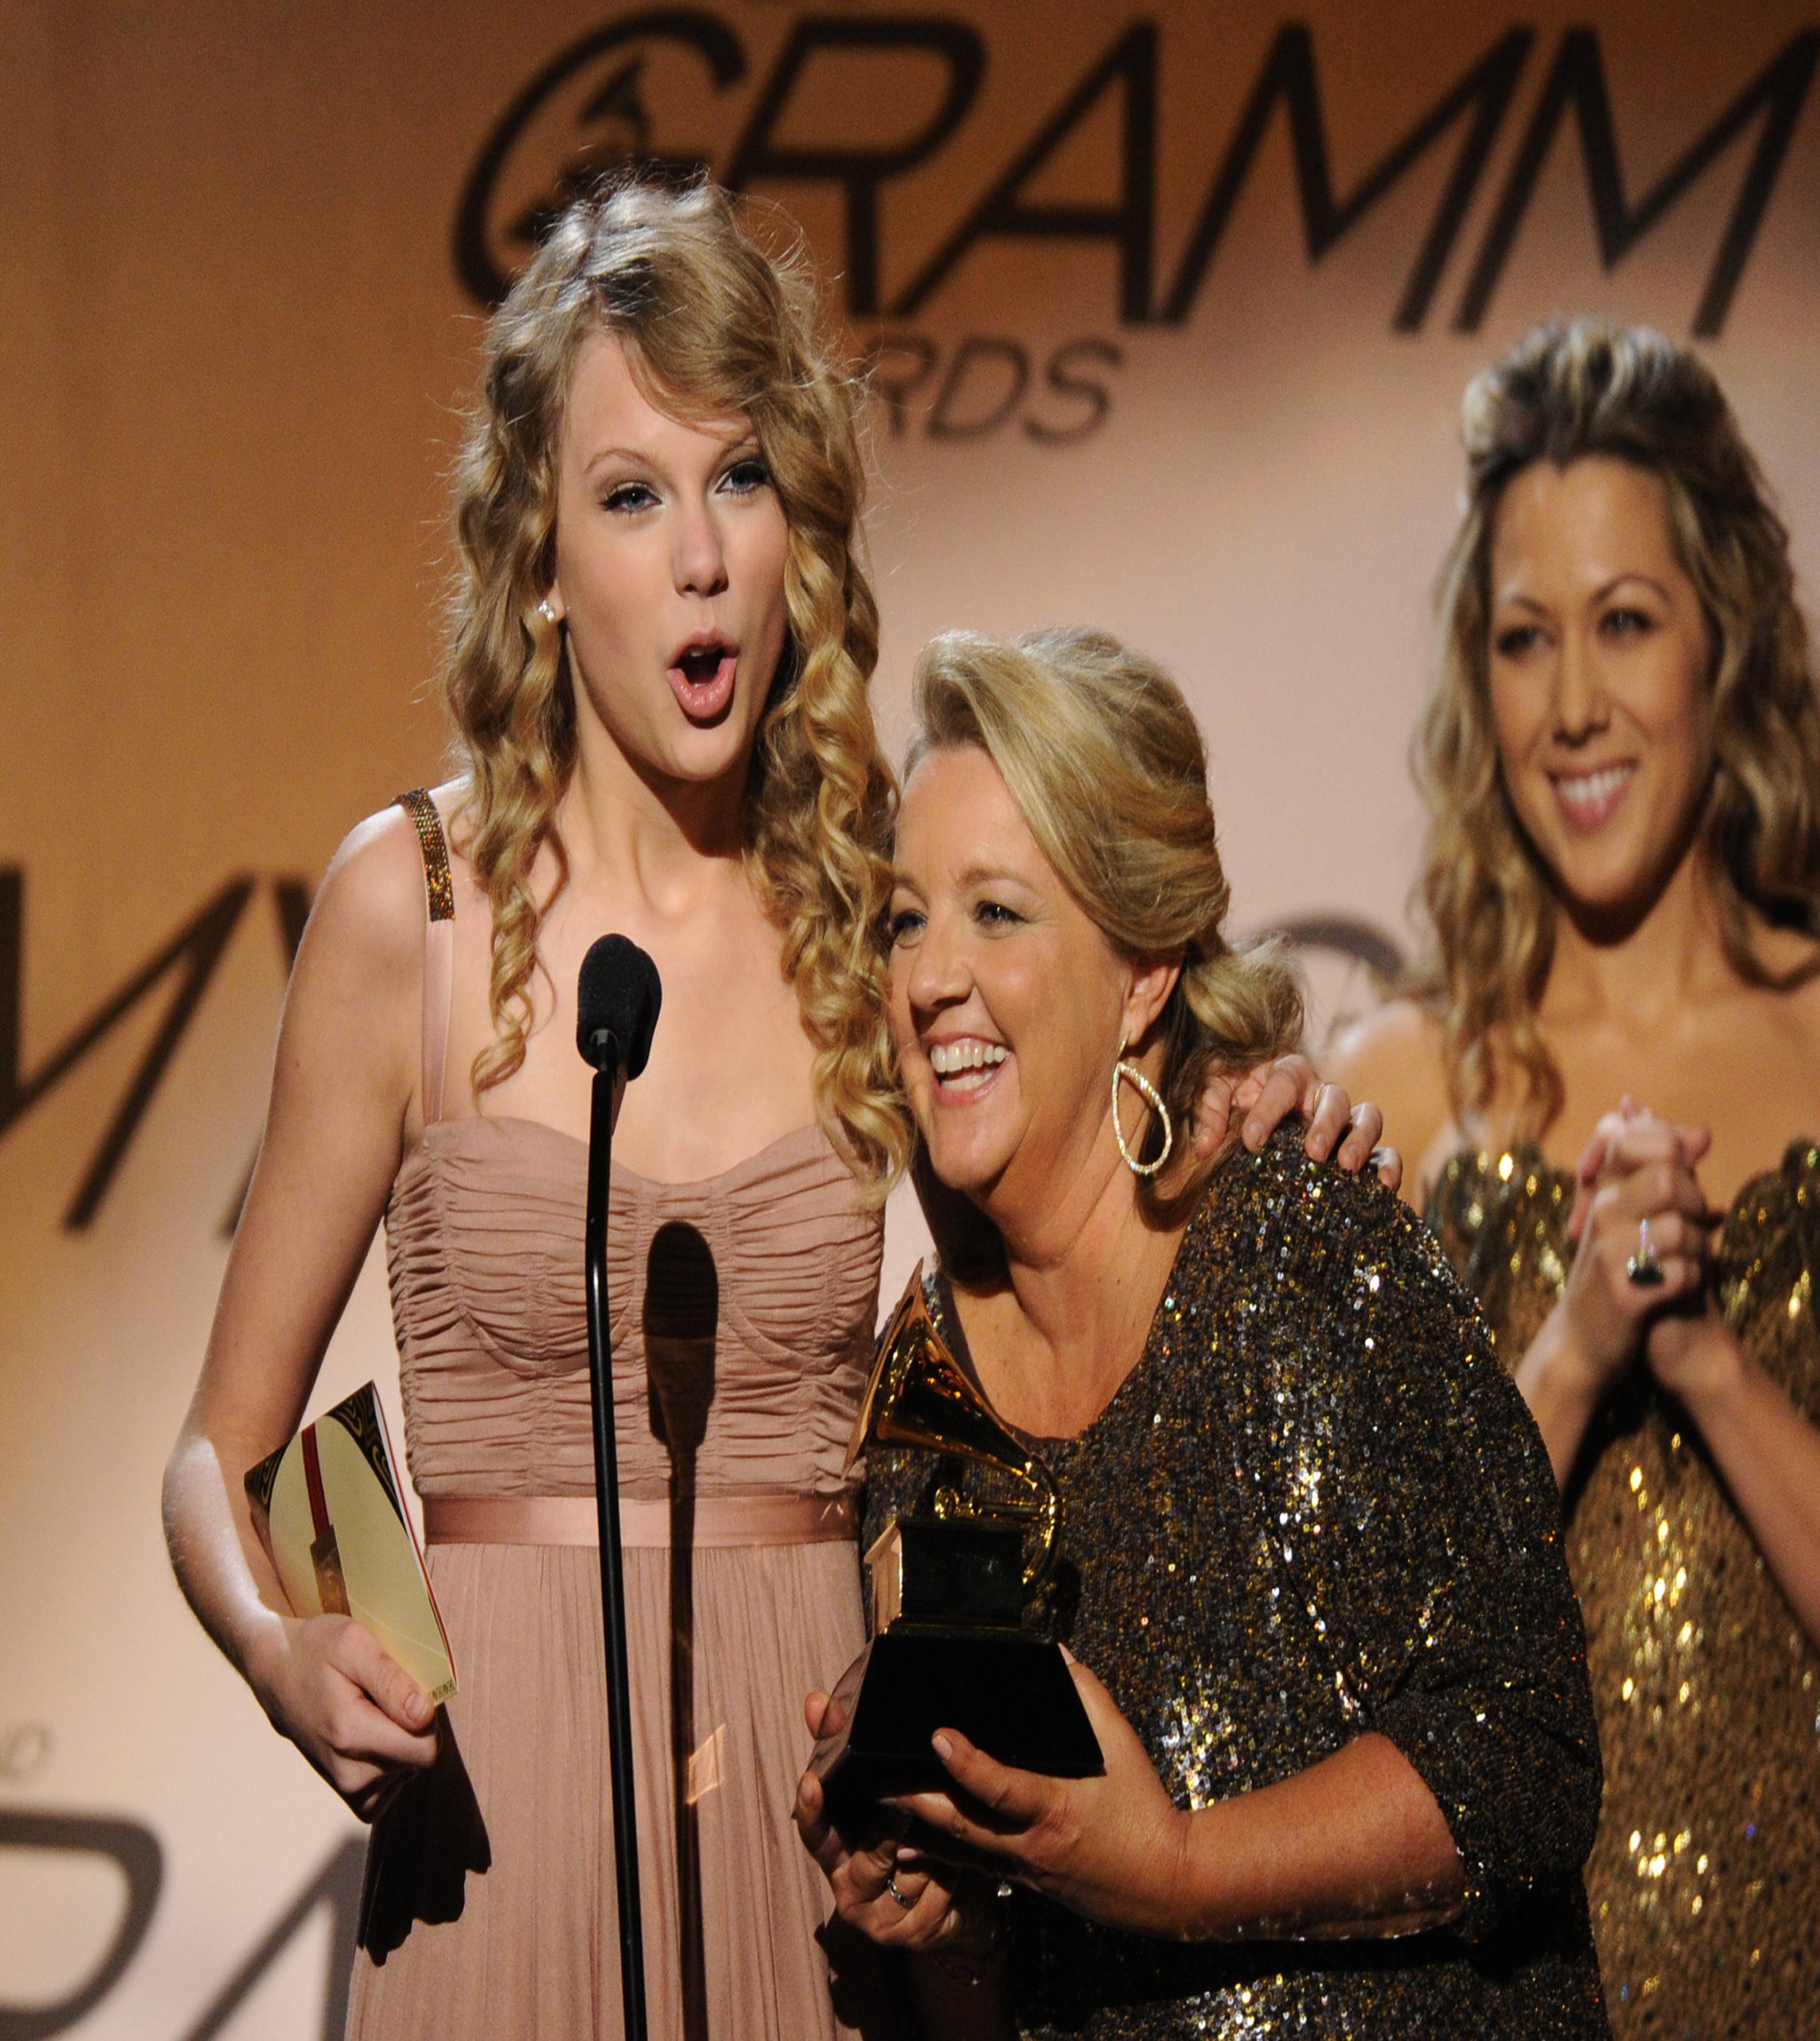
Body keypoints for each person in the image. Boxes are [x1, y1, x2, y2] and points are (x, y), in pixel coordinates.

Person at [161, 176, 1376, 2041]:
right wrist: (278, 1645)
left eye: (739, 480)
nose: (703, 553)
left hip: (814, 1840)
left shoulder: (873, 909)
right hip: (496, 1837)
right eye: (633, 496)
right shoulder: (405, 906)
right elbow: (219, 1454)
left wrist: (1233, 1103)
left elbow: (1079, 1182)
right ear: (545, 560)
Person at [1331, 316, 1820, 2034]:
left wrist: (1704, 1352)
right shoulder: (1401, 1086)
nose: (1572, 702)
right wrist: (1571, 1342)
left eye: (1625, 623)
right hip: (1494, 1991)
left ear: (1724, 641)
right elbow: (1360, 1674)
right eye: (1522, 637)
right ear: (1474, 682)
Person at [796, 626, 1610, 2037]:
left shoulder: (1304, 1250)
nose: (930, 979)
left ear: (1144, 972)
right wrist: (924, 1889)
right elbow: (1001, 1972)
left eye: (997, 912)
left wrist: (1174, 1871)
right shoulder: (924, 1406)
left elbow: (1526, 1750)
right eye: (904, 919)